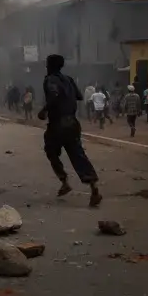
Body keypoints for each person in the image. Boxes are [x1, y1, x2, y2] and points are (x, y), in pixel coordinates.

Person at [37, 54, 102, 208]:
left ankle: (64, 181)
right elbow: (79, 96)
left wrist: (44, 110)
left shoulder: (50, 79)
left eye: (47, 64)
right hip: (72, 122)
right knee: (78, 154)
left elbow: (54, 95)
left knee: (51, 151)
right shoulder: (69, 79)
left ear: (50, 65)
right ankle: (94, 189)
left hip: (58, 123)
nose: (46, 66)